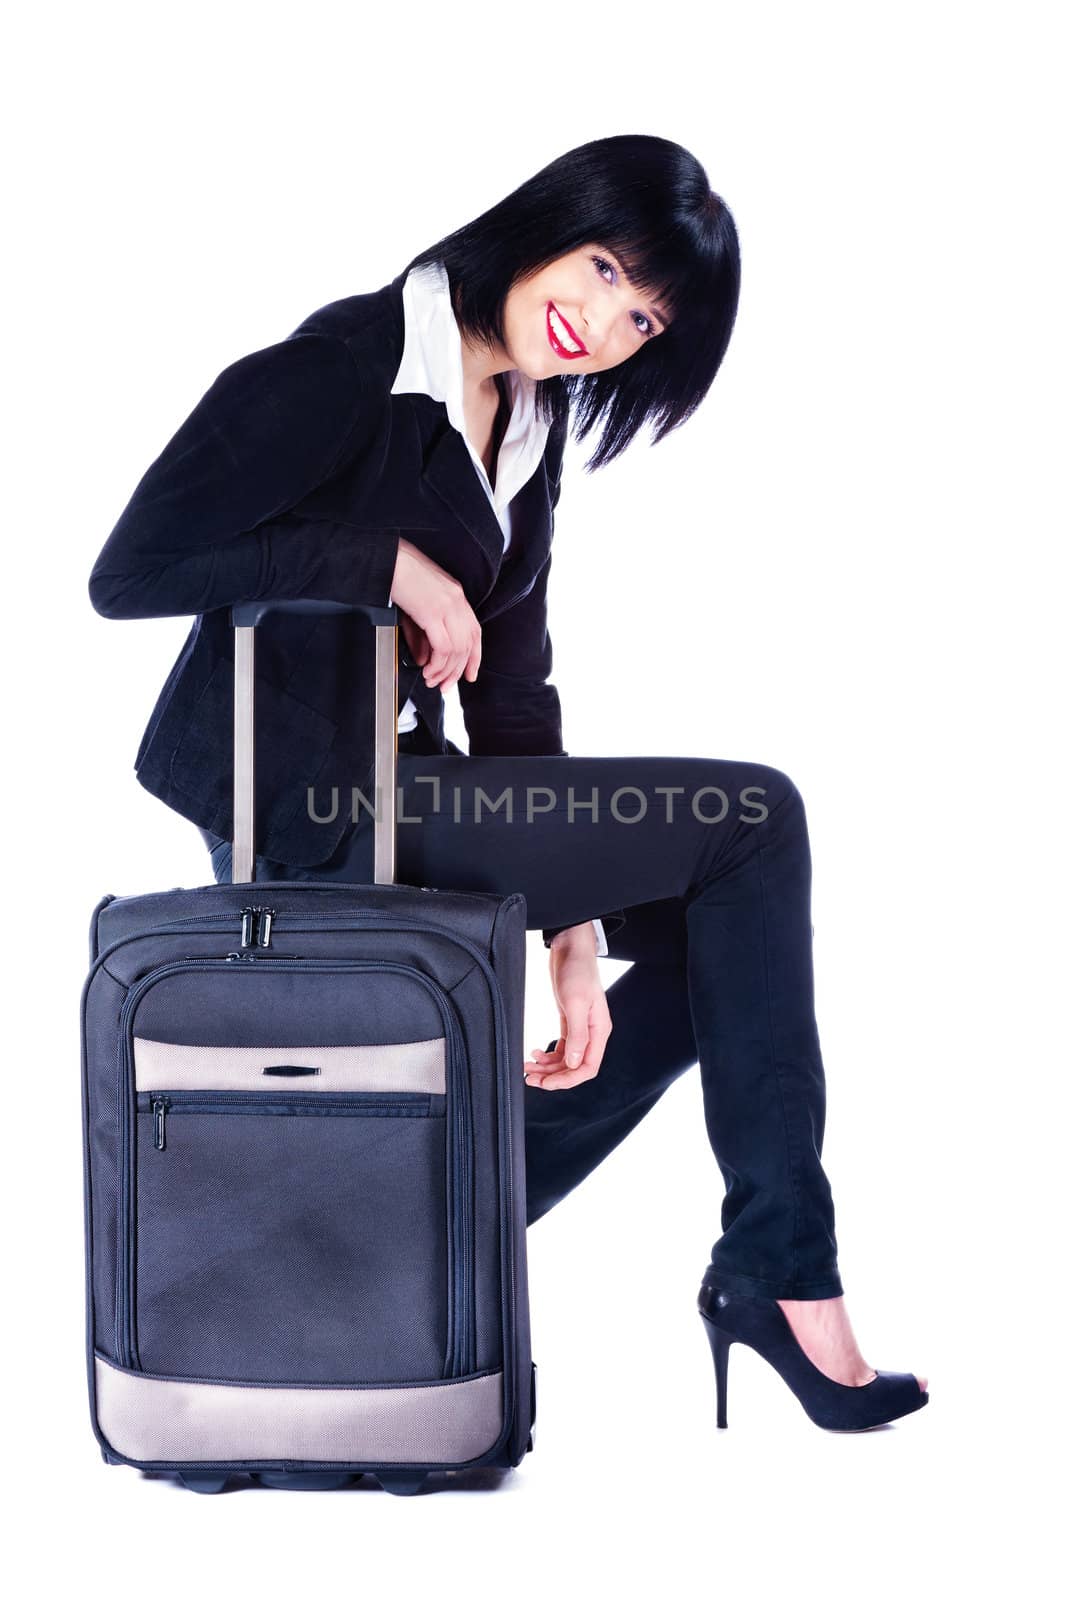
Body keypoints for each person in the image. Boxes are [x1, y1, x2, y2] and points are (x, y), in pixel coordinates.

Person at [88, 133, 928, 1430]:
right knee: (751, 823)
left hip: (409, 794)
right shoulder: (352, 363)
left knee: (730, 927)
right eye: (599, 269)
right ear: (544, 226)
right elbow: (133, 569)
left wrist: (576, 939)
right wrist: (385, 568)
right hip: (308, 806)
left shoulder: (524, 428)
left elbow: (517, 704)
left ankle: (477, 1206)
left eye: (640, 316)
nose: (600, 322)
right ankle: (779, 1269)